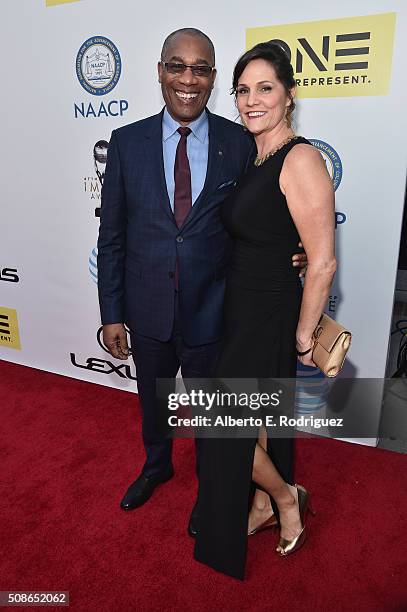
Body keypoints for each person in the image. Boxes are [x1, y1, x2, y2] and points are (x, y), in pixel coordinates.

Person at [97, 29, 307, 533]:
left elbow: (266, 211)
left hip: (216, 310)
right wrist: (112, 313)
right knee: (154, 401)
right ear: (161, 72)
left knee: (218, 420)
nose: (188, 79)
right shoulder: (128, 142)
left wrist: (292, 253)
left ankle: (212, 491)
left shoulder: (240, 141)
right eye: (177, 66)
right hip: (147, 308)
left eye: (200, 69)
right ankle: (156, 466)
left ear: (213, 78)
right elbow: (112, 236)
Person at [194, 42, 336, 579]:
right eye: (243, 90)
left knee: (219, 424)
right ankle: (263, 502)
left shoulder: (301, 158)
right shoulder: (257, 157)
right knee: (245, 422)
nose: (252, 100)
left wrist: (303, 336)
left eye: (265, 88)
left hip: (269, 314)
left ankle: (285, 498)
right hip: (240, 307)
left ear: (290, 95)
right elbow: (275, 234)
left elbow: (321, 262)